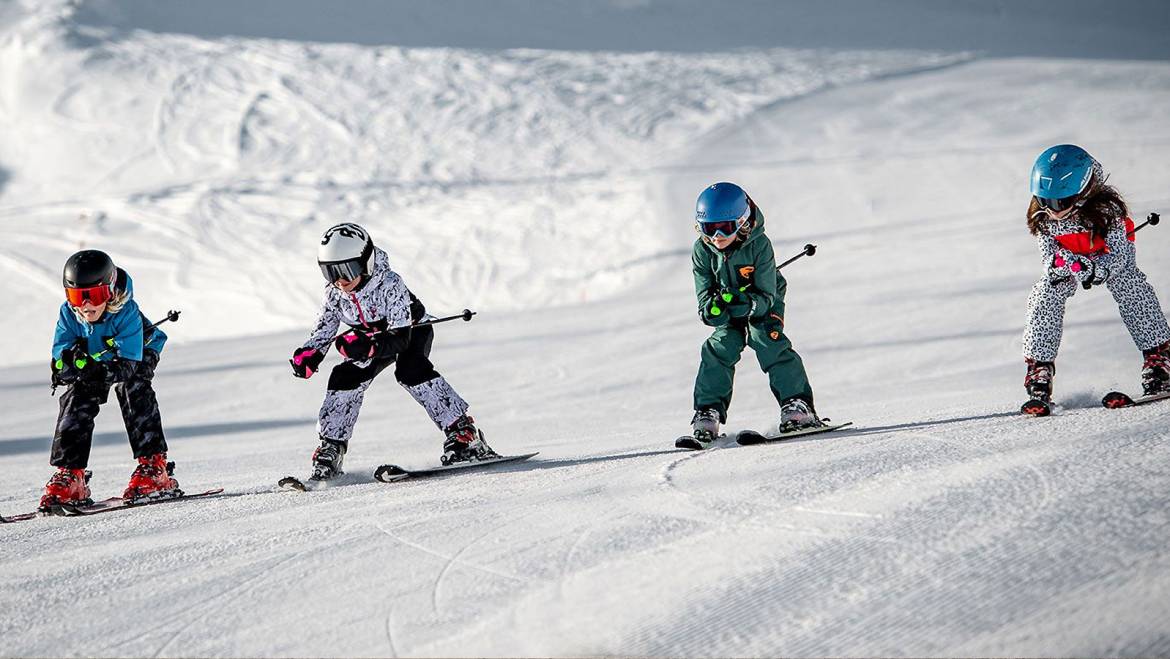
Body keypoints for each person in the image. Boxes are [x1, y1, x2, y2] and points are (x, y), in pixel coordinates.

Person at [290, 222, 495, 481]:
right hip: (371, 338)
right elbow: (324, 331)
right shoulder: (334, 294)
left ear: (366, 263)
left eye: (346, 270)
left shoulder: (389, 283)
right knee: (345, 376)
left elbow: (399, 338)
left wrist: (369, 345)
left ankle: (465, 434)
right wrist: (310, 354)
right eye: (330, 273)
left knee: (411, 371)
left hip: (411, 329)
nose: (339, 281)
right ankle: (332, 447)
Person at [1022, 144, 1170, 410]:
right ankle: (1039, 367)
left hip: (1107, 255)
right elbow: (1049, 260)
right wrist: (1066, 264)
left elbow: (1119, 258)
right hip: (1071, 260)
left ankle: (1159, 357)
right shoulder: (1043, 217)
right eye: (1045, 201)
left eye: (1060, 202)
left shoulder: (1107, 212)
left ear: (1083, 192)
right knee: (1045, 292)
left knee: (1129, 283)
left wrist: (1095, 269)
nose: (1053, 210)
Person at [43, 249, 176, 512]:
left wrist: (98, 371)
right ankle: (71, 474)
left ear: (110, 291)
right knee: (76, 396)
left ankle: (154, 466)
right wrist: (68, 366)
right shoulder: (70, 314)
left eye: (94, 296)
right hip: (98, 359)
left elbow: (128, 365)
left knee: (133, 387)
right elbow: (60, 358)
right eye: (76, 296)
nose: (86, 305)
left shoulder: (127, 312)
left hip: (139, 352)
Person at [689, 182, 818, 445]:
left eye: (724, 228)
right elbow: (704, 297)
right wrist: (713, 311)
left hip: (763, 300)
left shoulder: (759, 245)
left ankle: (798, 405)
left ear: (742, 221)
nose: (716, 237)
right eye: (708, 228)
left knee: (766, 339)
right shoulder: (702, 251)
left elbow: (767, 295)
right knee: (719, 346)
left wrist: (748, 304)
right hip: (730, 306)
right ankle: (708, 410)